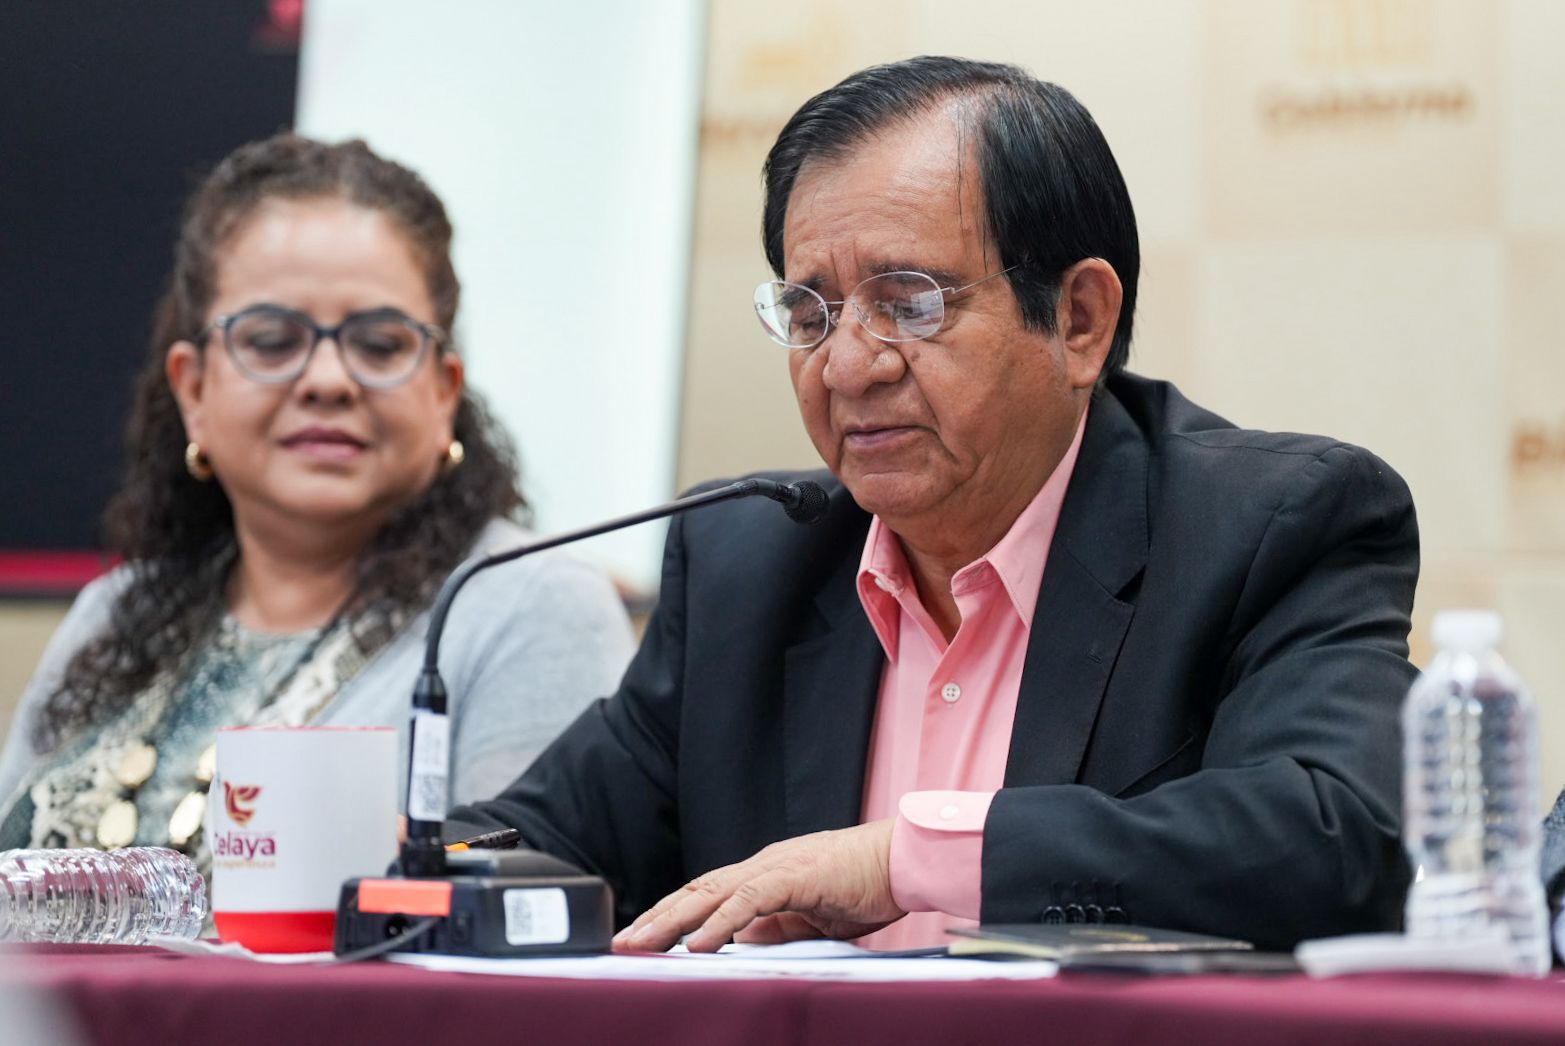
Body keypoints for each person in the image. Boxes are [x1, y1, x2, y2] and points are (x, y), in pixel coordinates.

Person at [447, 56, 1420, 953]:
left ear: (1078, 319)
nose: (847, 365)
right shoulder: (744, 564)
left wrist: (904, 858)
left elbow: (1338, 842)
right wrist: (400, 860)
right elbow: (534, 841)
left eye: (909, 302)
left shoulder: (1267, 526)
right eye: (809, 311)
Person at [0, 134, 635, 871]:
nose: (328, 380)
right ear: (193, 390)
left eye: (380, 345)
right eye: (273, 340)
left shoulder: (531, 607)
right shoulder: (115, 613)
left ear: (443, 392)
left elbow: (521, 905)